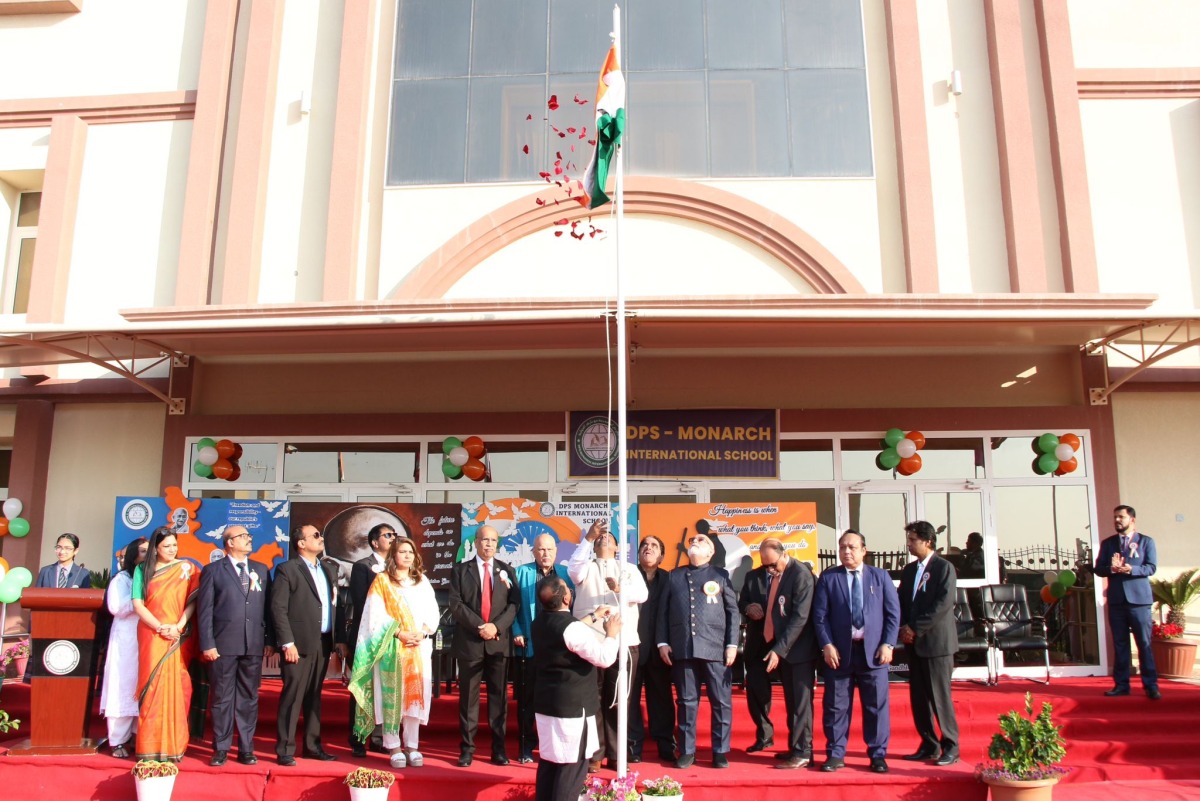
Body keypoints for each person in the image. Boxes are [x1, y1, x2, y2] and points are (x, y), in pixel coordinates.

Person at [812, 529, 899, 774]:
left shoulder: (880, 577)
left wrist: (888, 643)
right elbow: (820, 617)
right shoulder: (829, 578)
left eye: (852, 547)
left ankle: (878, 755)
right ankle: (835, 753)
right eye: (842, 547)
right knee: (836, 705)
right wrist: (826, 644)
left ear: (863, 551)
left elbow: (893, 614)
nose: (846, 552)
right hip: (839, 653)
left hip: (873, 653)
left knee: (876, 707)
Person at [348, 535, 440, 768]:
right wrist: (399, 633)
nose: (407, 556)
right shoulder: (382, 581)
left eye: (410, 552)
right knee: (392, 698)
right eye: (402, 552)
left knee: (414, 699)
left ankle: (412, 746)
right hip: (392, 648)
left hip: (417, 648)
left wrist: (422, 631)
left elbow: (432, 611)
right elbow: (374, 615)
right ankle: (393, 746)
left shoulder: (421, 581)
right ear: (393, 555)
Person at [567, 518, 648, 771]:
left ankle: (617, 753)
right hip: (590, 642)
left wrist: (620, 588)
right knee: (593, 698)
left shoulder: (630, 569)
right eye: (600, 538)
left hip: (623, 642)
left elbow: (642, 595)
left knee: (617, 699)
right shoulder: (586, 566)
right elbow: (573, 570)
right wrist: (588, 538)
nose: (604, 539)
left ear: (617, 547)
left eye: (608, 538)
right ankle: (595, 753)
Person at [532, 576, 620, 801]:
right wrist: (611, 633)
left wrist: (594, 616)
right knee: (571, 768)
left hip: (547, 704)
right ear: (566, 598)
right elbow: (604, 658)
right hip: (571, 709)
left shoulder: (539, 621)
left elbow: (570, 631)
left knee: (549, 763)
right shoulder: (571, 629)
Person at [656, 532, 740, 769]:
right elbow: (662, 612)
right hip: (683, 647)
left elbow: (733, 611)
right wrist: (662, 642)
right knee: (686, 701)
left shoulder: (721, 575)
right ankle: (687, 750)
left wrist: (731, 644)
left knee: (721, 701)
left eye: (702, 541)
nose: (695, 542)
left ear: (711, 552)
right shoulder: (675, 575)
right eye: (693, 540)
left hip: (715, 647)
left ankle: (720, 751)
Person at [197, 525, 274, 767]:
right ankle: (220, 747)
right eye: (243, 536)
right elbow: (205, 611)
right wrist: (207, 643)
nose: (249, 540)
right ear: (229, 542)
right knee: (222, 697)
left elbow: (268, 609)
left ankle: (246, 748)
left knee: (249, 697)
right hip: (222, 645)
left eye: (249, 536)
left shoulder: (261, 570)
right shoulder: (213, 570)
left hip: (252, 643)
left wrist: (269, 640)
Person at [740, 537, 818, 769]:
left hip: (799, 650)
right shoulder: (780, 574)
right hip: (784, 650)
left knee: (801, 703)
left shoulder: (800, 574)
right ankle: (795, 748)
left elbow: (799, 618)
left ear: (784, 554)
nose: (770, 569)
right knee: (792, 701)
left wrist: (778, 650)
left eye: (773, 564)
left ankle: (804, 751)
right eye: (766, 566)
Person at [271, 524, 342, 765]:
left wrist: (338, 640)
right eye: (315, 535)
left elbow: (334, 606)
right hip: (297, 645)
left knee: (314, 696)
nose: (320, 538)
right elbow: (278, 608)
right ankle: (285, 749)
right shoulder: (287, 569)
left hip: (322, 642)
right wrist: (286, 642)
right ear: (301, 543)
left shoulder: (328, 569)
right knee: (293, 695)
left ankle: (312, 745)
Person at [448, 524, 519, 766]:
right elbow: (455, 604)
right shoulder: (460, 570)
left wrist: (495, 627)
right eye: (484, 540)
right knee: (468, 698)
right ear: (476, 542)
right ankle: (467, 748)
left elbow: (513, 605)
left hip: (498, 644)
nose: (488, 544)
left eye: (493, 540)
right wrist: (482, 626)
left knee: (499, 699)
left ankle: (498, 749)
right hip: (471, 642)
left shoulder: (507, 570)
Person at [131, 526, 202, 761]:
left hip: (177, 635)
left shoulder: (187, 569)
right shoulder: (142, 570)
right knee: (151, 688)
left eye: (174, 545)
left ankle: (174, 745)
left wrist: (178, 626)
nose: (172, 550)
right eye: (166, 546)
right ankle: (149, 746)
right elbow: (138, 604)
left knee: (179, 687)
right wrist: (159, 626)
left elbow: (192, 602)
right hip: (152, 635)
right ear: (156, 548)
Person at [898, 521, 960, 766]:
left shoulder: (944, 568)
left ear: (928, 541)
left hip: (937, 645)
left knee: (939, 697)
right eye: (909, 539)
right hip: (914, 644)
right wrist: (904, 627)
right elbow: (902, 601)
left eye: (913, 539)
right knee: (919, 698)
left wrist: (916, 628)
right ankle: (929, 744)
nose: (909, 544)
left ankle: (951, 746)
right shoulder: (910, 570)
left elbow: (942, 604)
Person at [512, 533, 574, 763]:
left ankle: (555, 747)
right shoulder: (521, 573)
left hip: (559, 650)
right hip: (529, 647)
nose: (545, 554)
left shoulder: (566, 574)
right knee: (528, 701)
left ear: (556, 552)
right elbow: (512, 606)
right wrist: (516, 631)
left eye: (549, 549)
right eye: (540, 549)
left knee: (557, 699)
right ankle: (526, 746)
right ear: (533, 552)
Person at [1094, 504, 1160, 700]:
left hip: (1139, 602)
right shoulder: (1108, 543)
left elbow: (1151, 567)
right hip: (1116, 601)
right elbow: (1098, 569)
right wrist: (1112, 569)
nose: (1117, 520)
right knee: (1120, 644)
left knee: (1144, 643)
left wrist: (1132, 569)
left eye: (1121, 517)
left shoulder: (1146, 541)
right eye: (1115, 517)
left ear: (1132, 520)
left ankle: (1151, 685)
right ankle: (1121, 685)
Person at [346, 522, 396, 757]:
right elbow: (360, 602)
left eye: (395, 535)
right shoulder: (362, 566)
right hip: (368, 636)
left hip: (393, 637)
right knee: (363, 686)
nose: (393, 538)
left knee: (385, 686)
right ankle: (358, 737)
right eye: (388, 535)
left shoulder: (399, 566)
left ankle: (379, 737)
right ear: (375, 542)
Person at [628, 535, 675, 763]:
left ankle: (665, 745)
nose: (648, 548)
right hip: (632, 647)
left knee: (662, 699)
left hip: (660, 648)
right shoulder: (627, 575)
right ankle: (632, 747)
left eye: (654, 546)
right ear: (638, 553)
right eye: (644, 545)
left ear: (662, 556)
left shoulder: (670, 579)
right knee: (630, 699)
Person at [100, 537, 147, 759]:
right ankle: (118, 740)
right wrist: (141, 601)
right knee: (123, 685)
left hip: (147, 638)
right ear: (132, 555)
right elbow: (116, 607)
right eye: (143, 551)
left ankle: (140, 735)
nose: (148, 555)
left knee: (143, 685)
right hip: (126, 640)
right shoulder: (122, 579)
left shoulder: (151, 576)